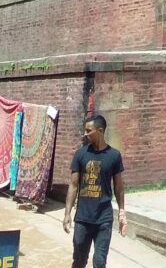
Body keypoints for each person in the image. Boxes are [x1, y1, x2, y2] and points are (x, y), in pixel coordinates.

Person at [64, 114, 125, 268]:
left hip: (104, 219)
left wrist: (122, 211)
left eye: (88, 130)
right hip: (83, 219)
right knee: (79, 261)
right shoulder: (80, 155)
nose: (85, 134)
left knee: (99, 261)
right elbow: (73, 185)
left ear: (100, 130)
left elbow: (118, 186)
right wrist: (67, 214)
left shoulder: (114, 156)